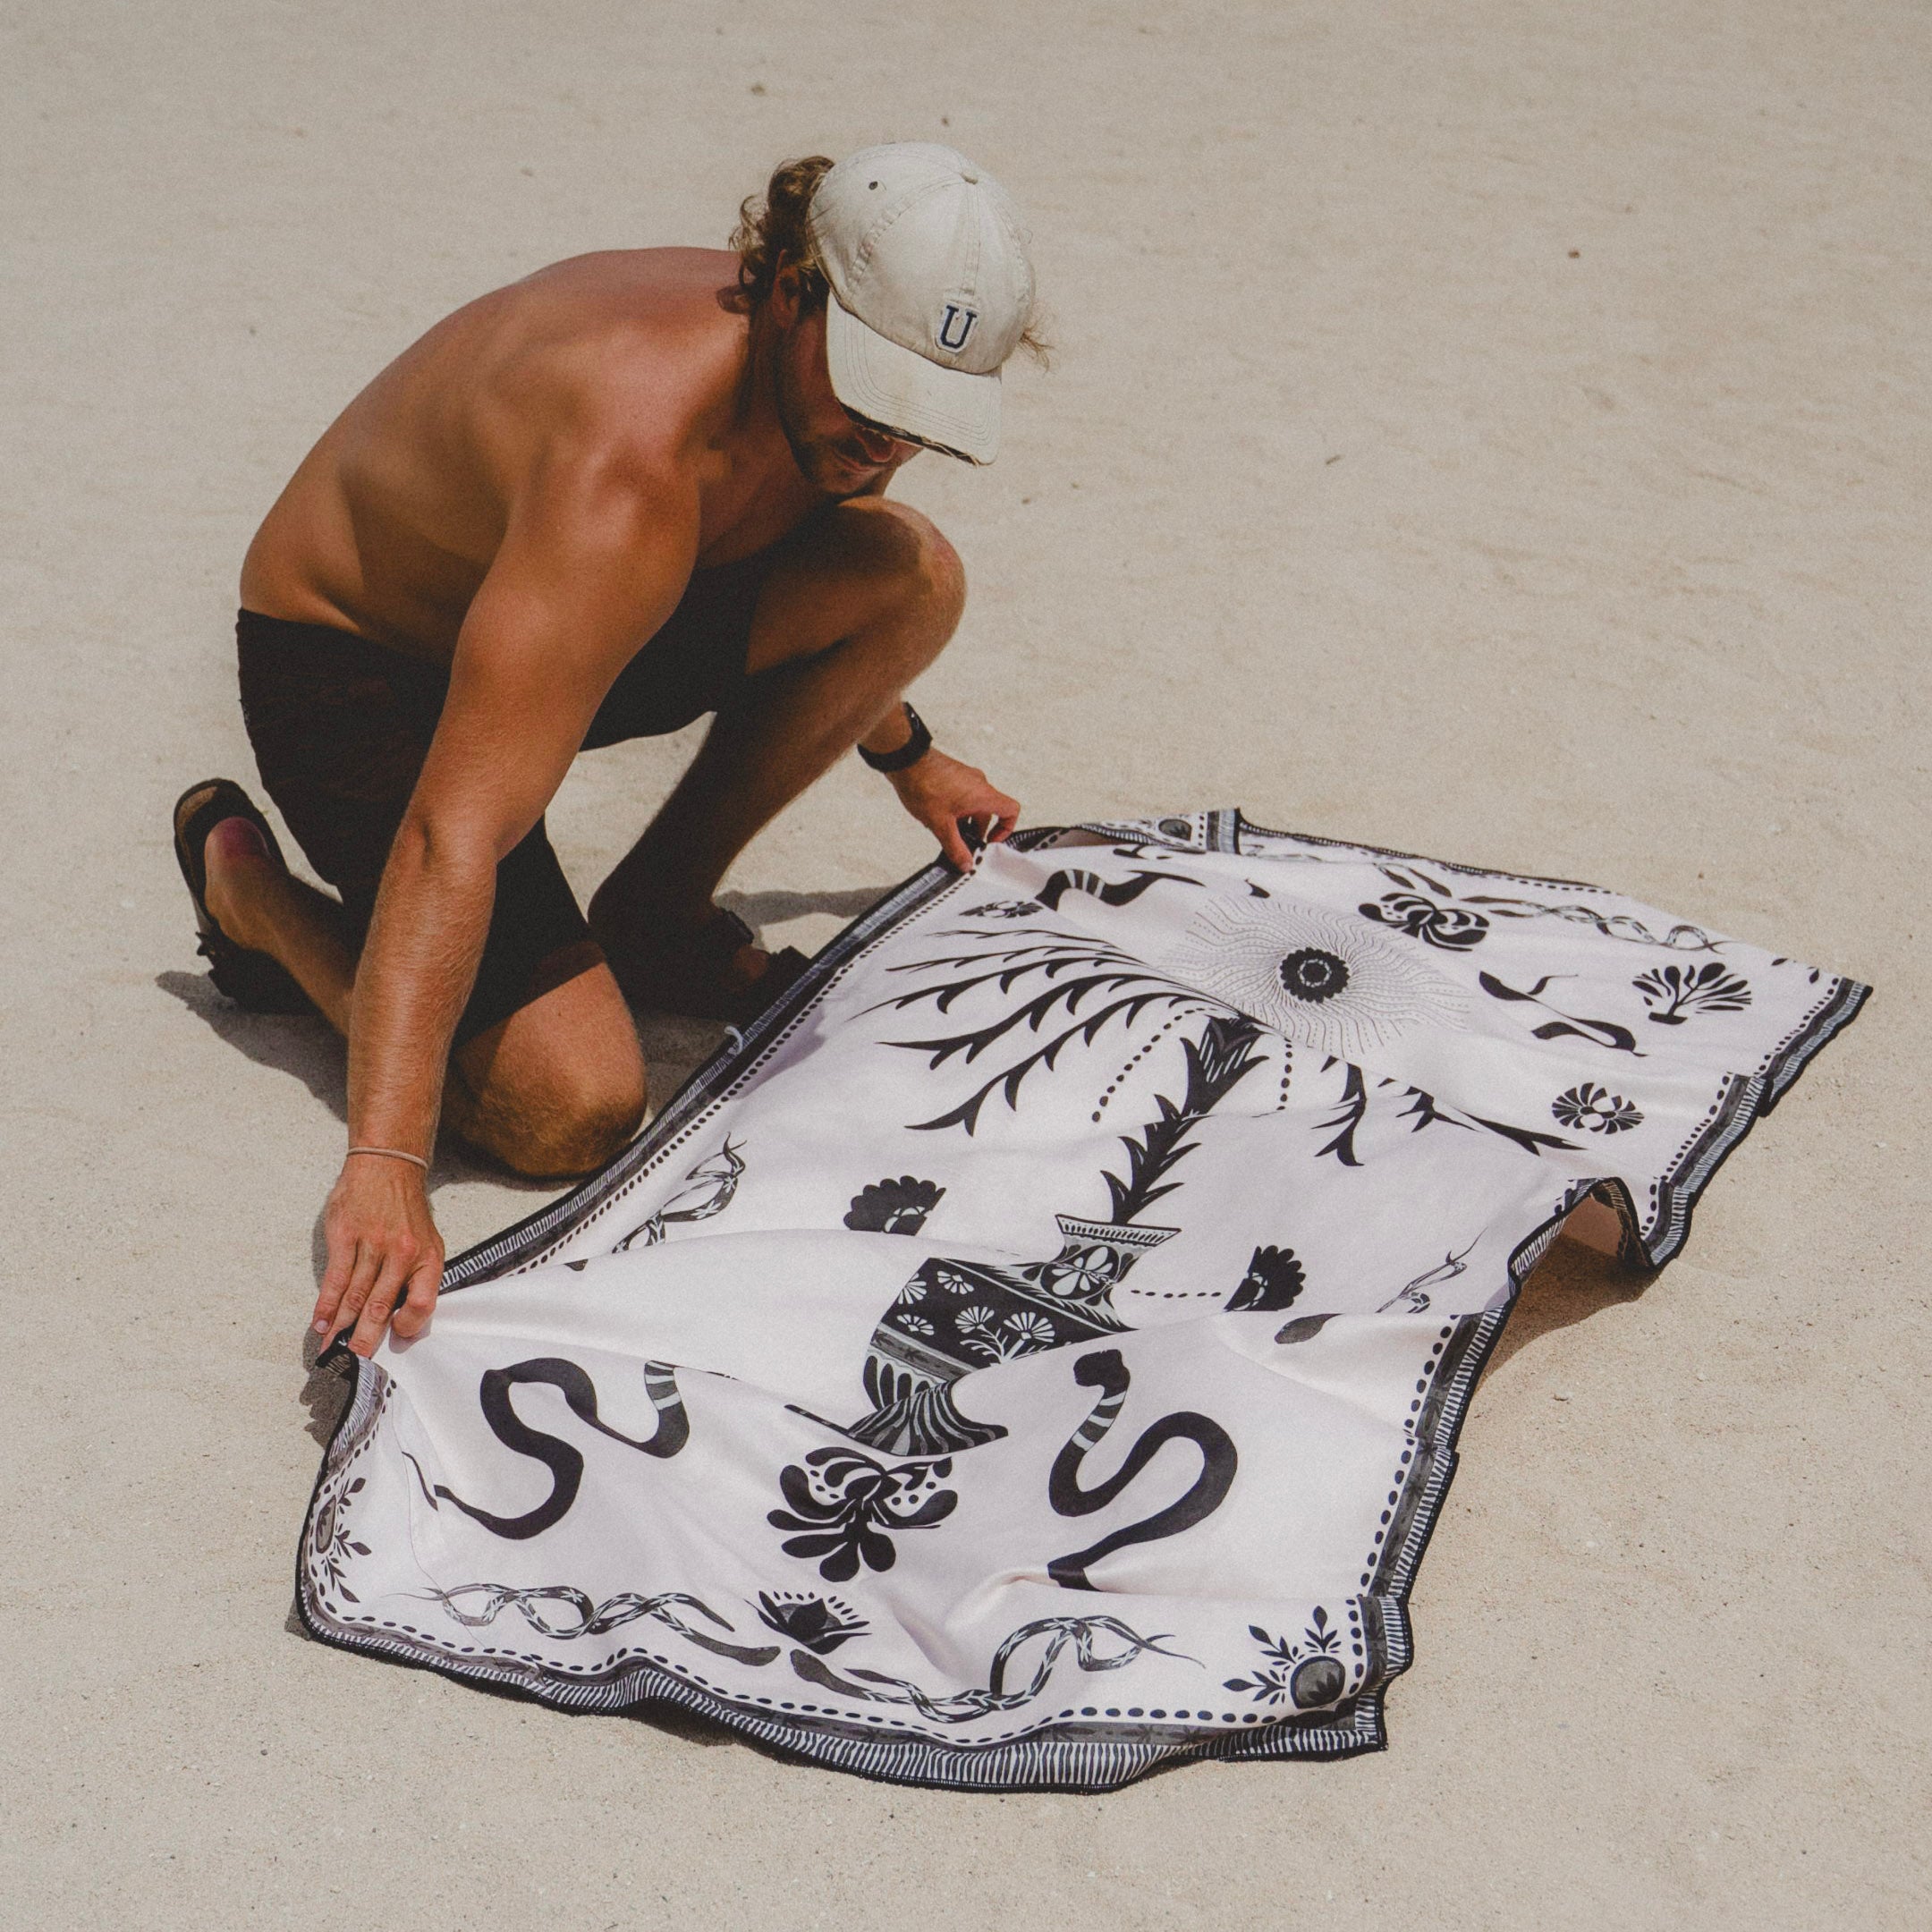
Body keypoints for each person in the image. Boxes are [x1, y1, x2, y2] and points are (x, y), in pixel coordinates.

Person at [170, 144, 1040, 1360]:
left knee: (906, 579)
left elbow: (745, 544)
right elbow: (453, 829)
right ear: (795, 293)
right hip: (360, 671)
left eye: (919, 414)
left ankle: (656, 915)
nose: (883, 443)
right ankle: (257, 899)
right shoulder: (626, 466)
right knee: (566, 1104)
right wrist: (386, 1159)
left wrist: (909, 757)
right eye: (871, 395)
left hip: (556, 609)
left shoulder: (802, 388)